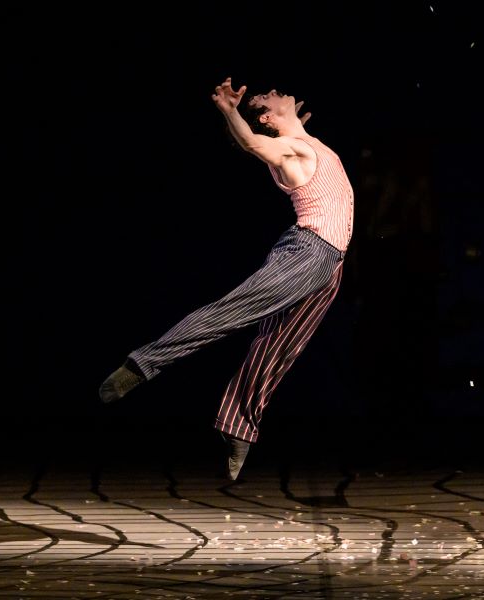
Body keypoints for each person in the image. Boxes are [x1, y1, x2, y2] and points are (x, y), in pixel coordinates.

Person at [99, 77, 354, 480]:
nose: (274, 90)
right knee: (230, 313)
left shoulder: (303, 140)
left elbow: (268, 134)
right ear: (269, 117)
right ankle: (142, 364)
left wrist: (290, 119)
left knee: (277, 348)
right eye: (268, 97)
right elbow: (253, 144)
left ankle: (238, 427)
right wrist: (230, 111)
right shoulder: (290, 150)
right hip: (309, 252)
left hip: (330, 263)